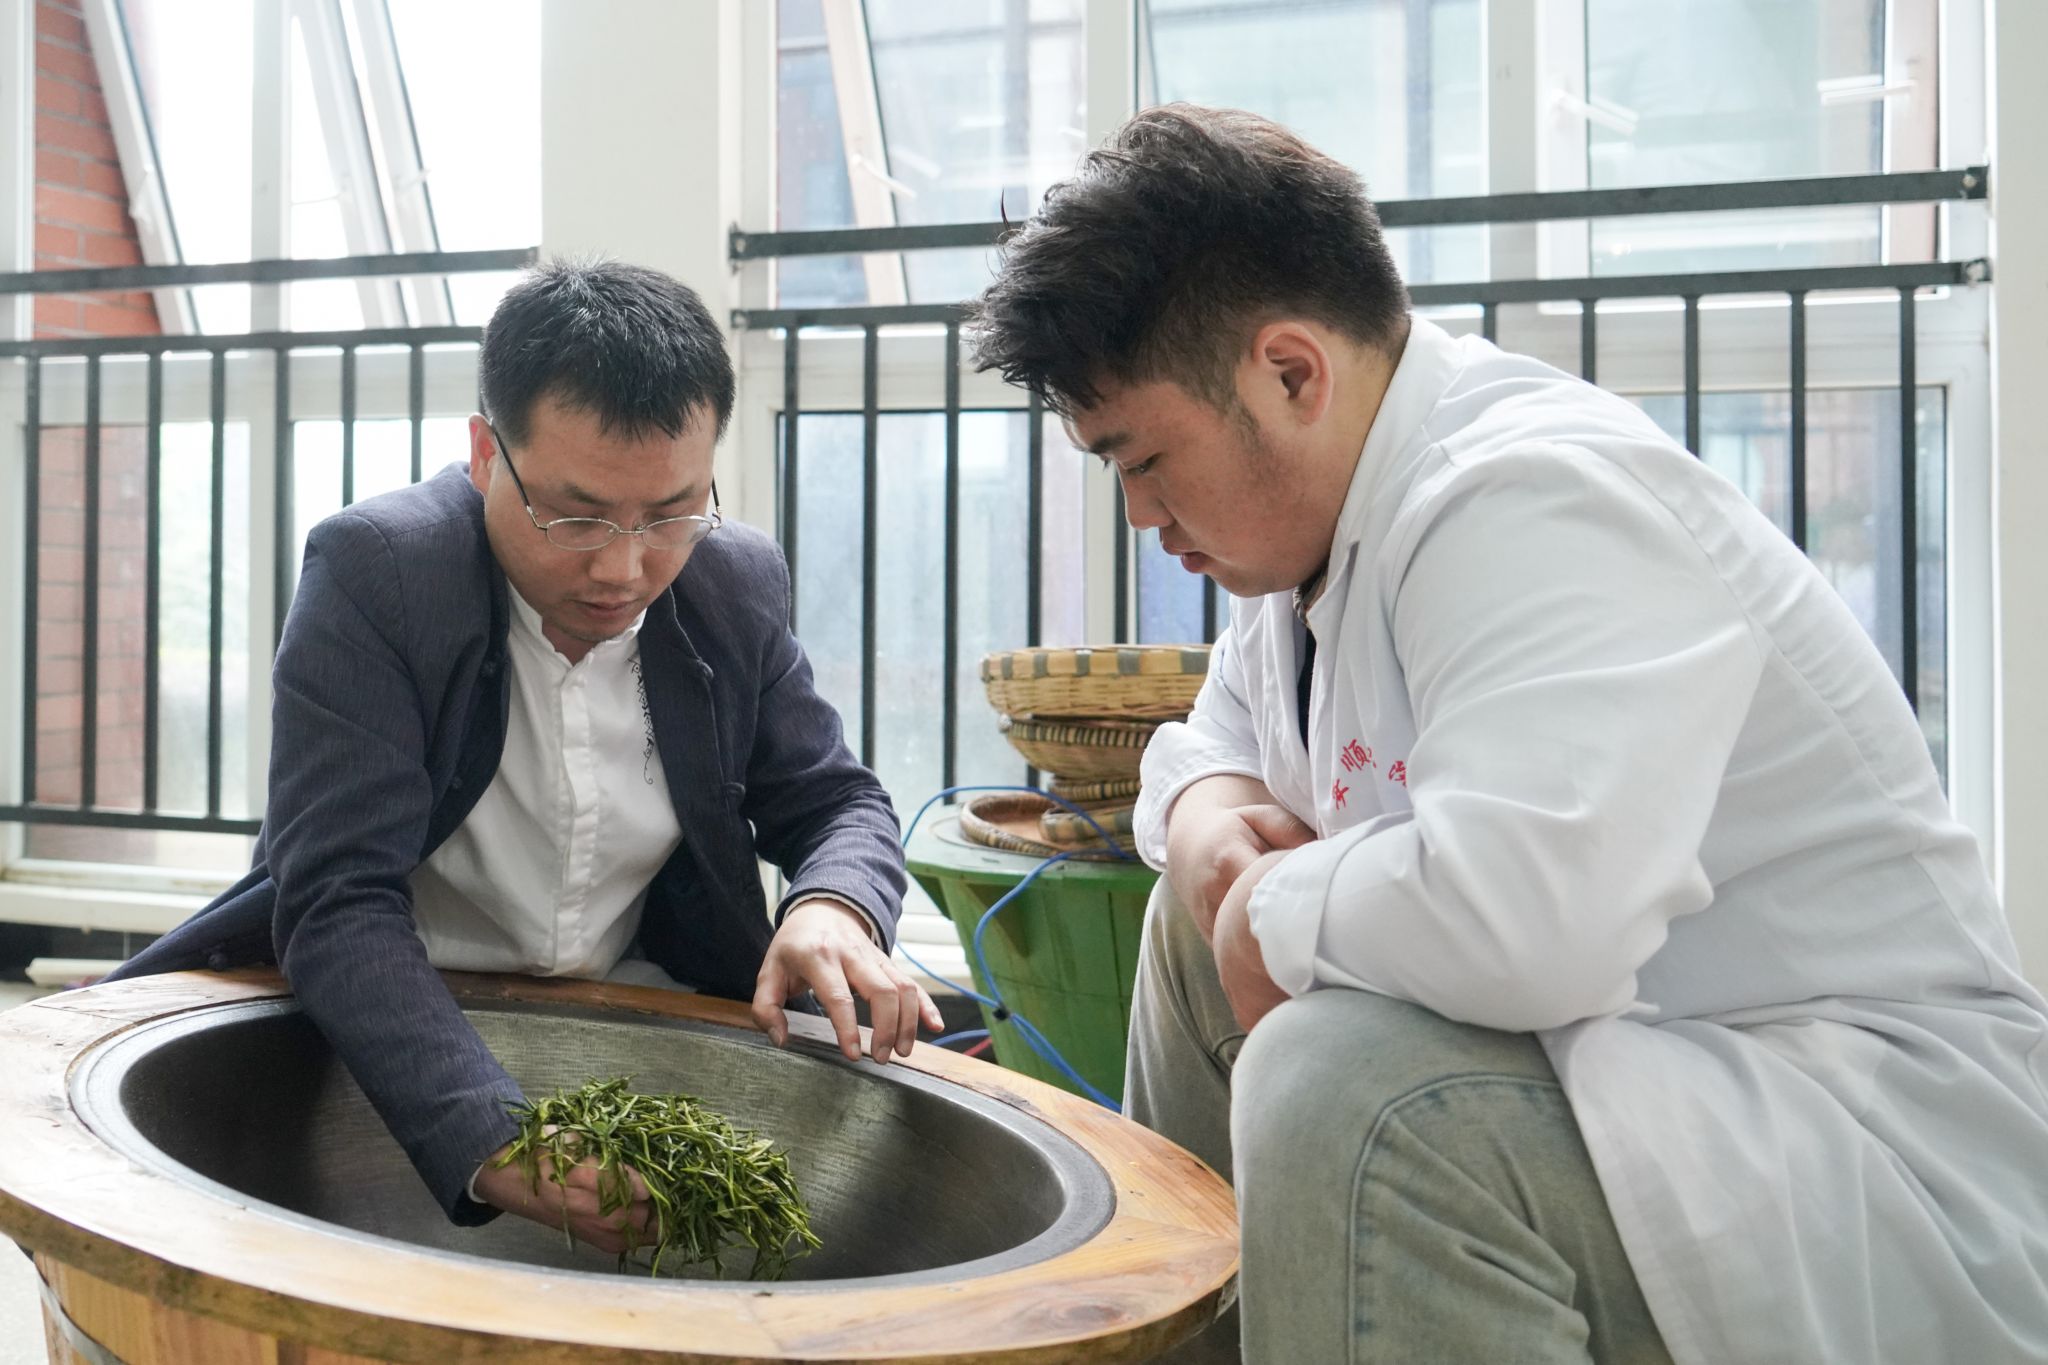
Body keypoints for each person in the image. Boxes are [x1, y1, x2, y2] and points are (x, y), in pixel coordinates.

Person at [967, 104, 2048, 1364]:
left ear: (1290, 372)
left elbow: (1527, 921)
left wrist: (1265, 905)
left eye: (1143, 458)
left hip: (1839, 1136)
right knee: (1189, 928)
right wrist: (1210, 828)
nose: (1139, 514)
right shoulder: (1316, 534)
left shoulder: (1532, 496)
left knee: (1343, 1086)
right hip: (1630, 1078)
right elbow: (1213, 741)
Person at [109, 259, 941, 1253]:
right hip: (389, 1023)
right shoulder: (381, 575)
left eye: (670, 513)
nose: (624, 568)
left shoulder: (730, 582)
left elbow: (835, 800)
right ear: (483, 454)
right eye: (576, 516)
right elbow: (336, 894)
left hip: (634, 1001)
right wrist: (498, 1142)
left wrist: (834, 905)